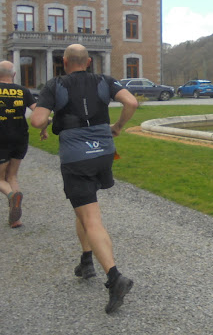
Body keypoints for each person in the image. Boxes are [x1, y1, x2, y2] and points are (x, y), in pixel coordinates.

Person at [30, 44, 138, 314]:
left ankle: (114, 277)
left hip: (77, 158)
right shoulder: (105, 80)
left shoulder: (55, 84)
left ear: (64, 61)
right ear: (88, 61)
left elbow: (37, 120)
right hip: (104, 153)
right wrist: (118, 126)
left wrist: (50, 119)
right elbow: (131, 102)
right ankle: (86, 260)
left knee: (91, 218)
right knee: (83, 207)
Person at [0, 61, 47, 228]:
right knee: (12, 176)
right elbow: (40, 112)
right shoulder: (23, 91)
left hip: (1, 138)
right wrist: (43, 129)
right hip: (20, 138)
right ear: (13, 75)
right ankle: (15, 219)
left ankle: (12, 195)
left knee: (0, 178)